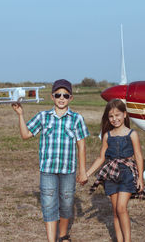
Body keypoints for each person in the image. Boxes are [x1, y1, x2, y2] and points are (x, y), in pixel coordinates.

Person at [12, 79, 89, 242]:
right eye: (58, 95)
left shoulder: (77, 119)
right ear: (52, 97)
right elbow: (26, 135)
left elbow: (81, 146)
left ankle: (63, 235)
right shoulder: (43, 116)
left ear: (71, 98)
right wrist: (20, 115)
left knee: (67, 204)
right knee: (48, 204)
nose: (62, 98)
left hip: (68, 170)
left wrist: (82, 171)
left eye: (65, 95)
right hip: (47, 170)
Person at [85, 98, 145, 242]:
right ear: (108, 118)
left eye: (117, 115)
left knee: (121, 208)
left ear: (125, 115)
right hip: (111, 175)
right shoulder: (107, 135)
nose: (115, 119)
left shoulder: (132, 134)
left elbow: (138, 156)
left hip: (127, 174)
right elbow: (101, 158)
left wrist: (140, 178)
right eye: (111, 116)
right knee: (115, 212)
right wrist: (87, 173)